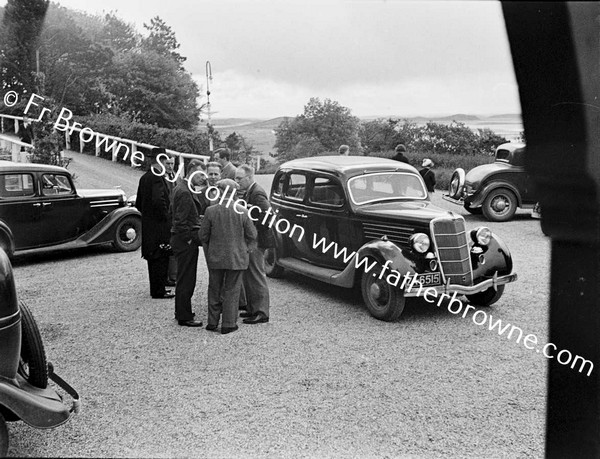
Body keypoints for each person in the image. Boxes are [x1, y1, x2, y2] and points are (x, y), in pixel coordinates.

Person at [200, 179, 257, 334]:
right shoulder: (243, 211)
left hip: (215, 258)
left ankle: (212, 322)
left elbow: (203, 235)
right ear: (234, 193)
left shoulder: (210, 211)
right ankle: (228, 324)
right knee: (232, 291)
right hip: (236, 257)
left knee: (214, 289)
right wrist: (247, 250)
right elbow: (252, 234)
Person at [235, 164, 274, 324]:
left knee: (256, 275)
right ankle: (252, 308)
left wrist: (253, 232)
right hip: (254, 241)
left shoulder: (257, 193)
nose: (237, 182)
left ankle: (261, 312)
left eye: (239, 178)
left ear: (249, 177)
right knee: (250, 275)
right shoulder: (250, 191)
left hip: (257, 242)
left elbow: (268, 217)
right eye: (235, 178)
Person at [170, 160, 205, 327]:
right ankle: (184, 316)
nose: (202, 179)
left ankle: (181, 311)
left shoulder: (181, 187)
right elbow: (180, 221)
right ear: (191, 171)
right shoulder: (184, 192)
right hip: (185, 242)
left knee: (184, 278)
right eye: (199, 174)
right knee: (186, 280)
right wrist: (189, 239)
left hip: (181, 240)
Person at [135, 147, 174, 299]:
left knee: (153, 258)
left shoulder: (145, 177)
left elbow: (139, 203)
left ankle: (157, 288)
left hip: (148, 224)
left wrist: (148, 215)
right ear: (161, 161)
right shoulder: (157, 178)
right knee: (160, 257)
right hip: (159, 226)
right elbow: (159, 201)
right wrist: (165, 217)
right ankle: (159, 290)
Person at [164, 156, 178, 287]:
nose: (170, 166)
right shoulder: (161, 178)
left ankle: (173, 276)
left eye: (172, 163)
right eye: (167, 163)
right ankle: (169, 276)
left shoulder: (175, 176)